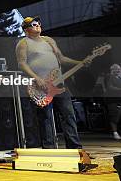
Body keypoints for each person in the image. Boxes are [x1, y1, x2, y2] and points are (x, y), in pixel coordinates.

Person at [15, 16, 83, 149]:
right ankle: (49, 148)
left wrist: (80, 63)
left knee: (68, 114)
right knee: (45, 118)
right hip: (41, 86)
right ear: (26, 29)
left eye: (38, 23)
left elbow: (61, 58)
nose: (38, 25)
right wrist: (37, 78)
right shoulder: (23, 43)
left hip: (59, 83)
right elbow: (21, 64)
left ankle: (75, 149)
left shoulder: (49, 40)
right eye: (34, 24)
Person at [105, 64, 121, 140]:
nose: (118, 70)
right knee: (115, 116)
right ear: (112, 70)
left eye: (119, 69)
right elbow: (110, 87)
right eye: (116, 69)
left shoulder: (119, 77)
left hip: (118, 99)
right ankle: (115, 133)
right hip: (112, 99)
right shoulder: (109, 76)